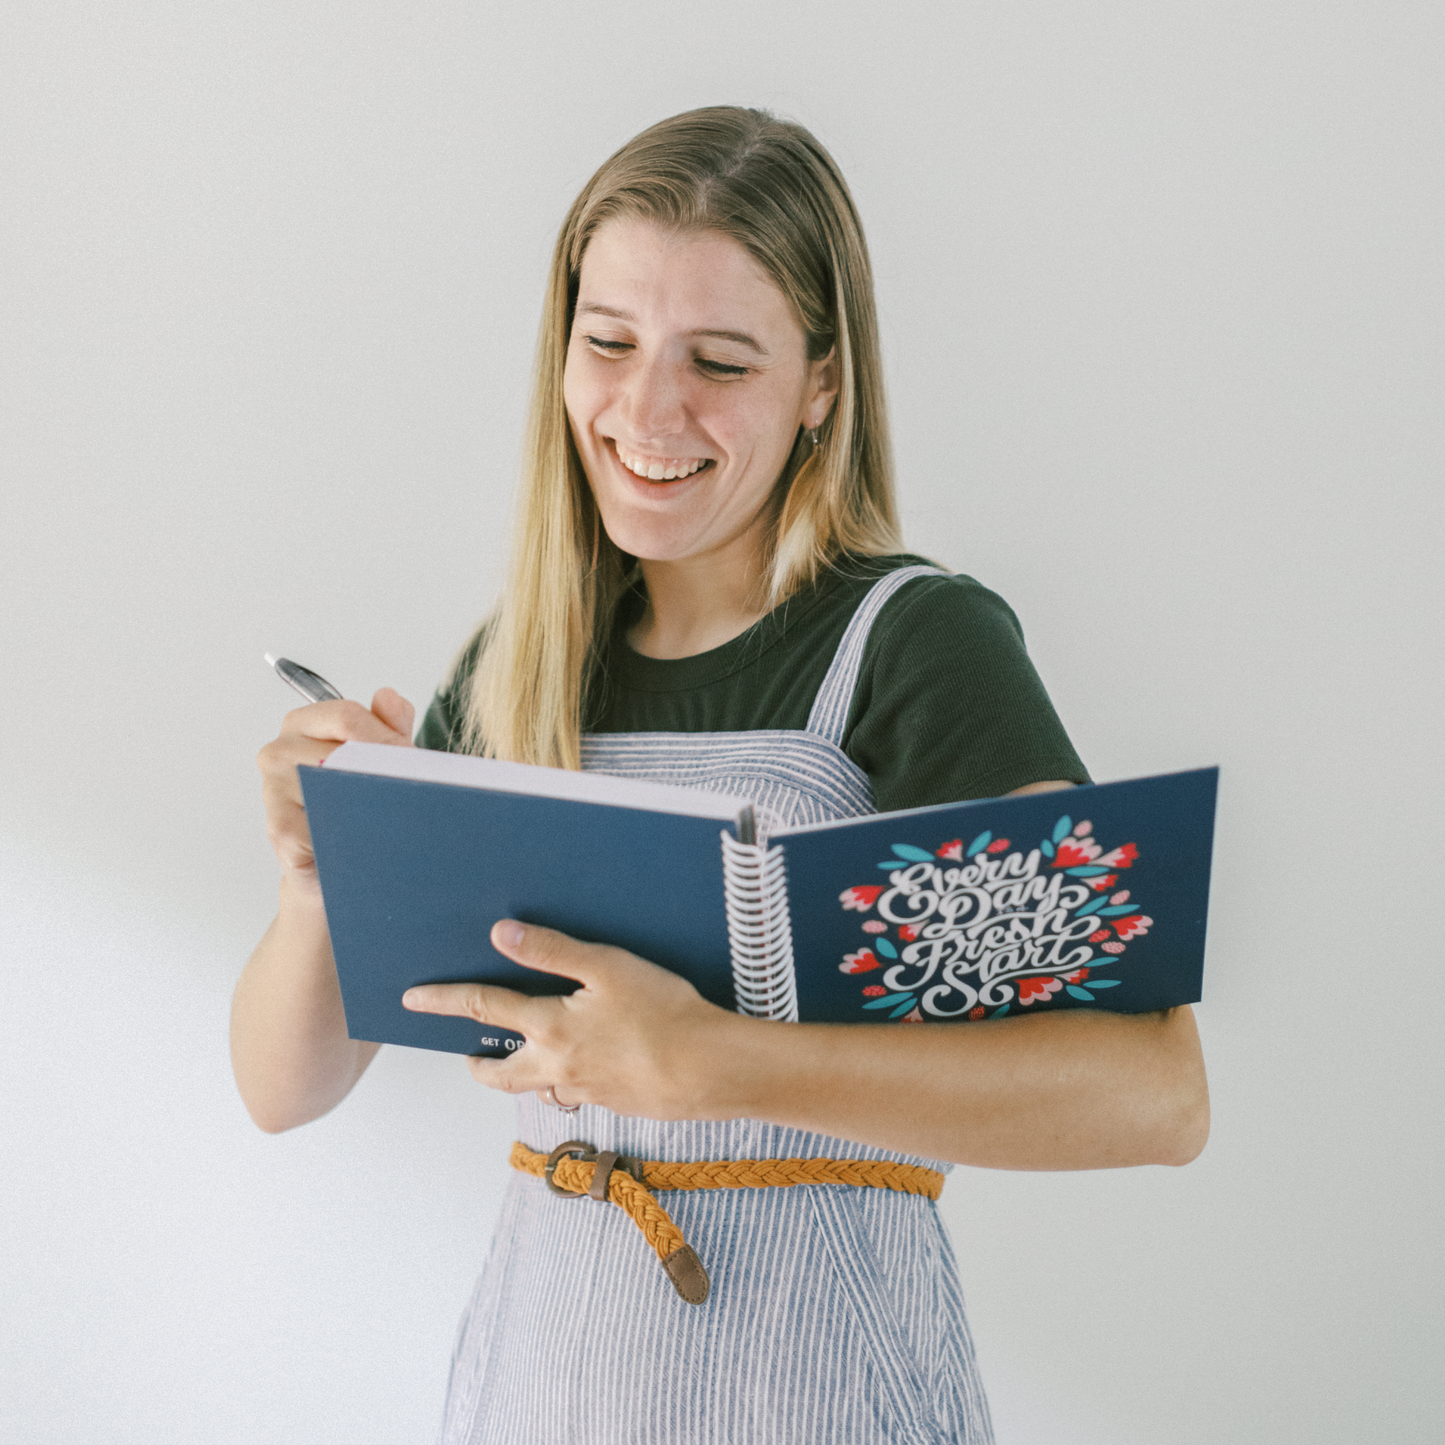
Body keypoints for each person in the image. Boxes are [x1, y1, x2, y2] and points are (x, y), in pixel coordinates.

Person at [232, 106, 1209, 1444]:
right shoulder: (523, 664)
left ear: (822, 383)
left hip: (821, 1396)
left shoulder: (914, 647)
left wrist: (722, 1065)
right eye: (610, 344)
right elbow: (284, 1091)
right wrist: (312, 875)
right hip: (542, 1386)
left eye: (722, 361)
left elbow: (1150, 1091)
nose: (646, 409)